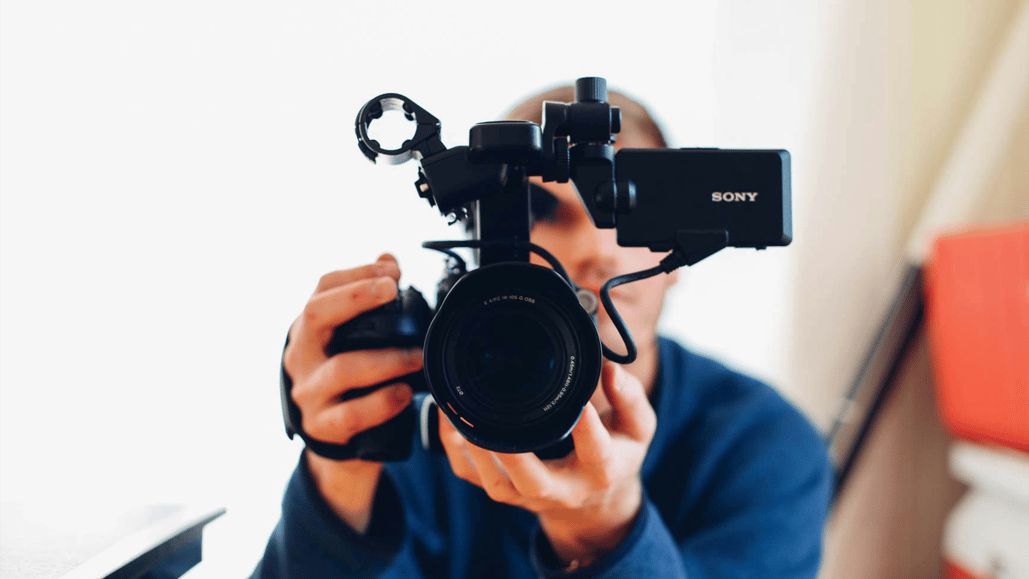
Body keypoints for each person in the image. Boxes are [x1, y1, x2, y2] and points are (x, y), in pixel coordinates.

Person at [251, 85, 832, 578]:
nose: (597, 249)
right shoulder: (411, 412)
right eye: (545, 213)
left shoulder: (762, 446)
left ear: (681, 254)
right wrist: (340, 468)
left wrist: (604, 530)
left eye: (628, 211)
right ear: (486, 243)